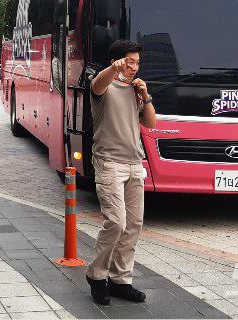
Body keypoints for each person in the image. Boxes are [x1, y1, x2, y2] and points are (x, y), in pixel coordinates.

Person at [86, 40, 156, 305]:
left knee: (133, 226)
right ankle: (96, 275)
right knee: (116, 222)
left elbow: (150, 122)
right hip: (109, 163)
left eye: (137, 63)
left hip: (134, 164)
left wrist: (145, 95)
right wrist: (113, 70)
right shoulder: (102, 84)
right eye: (130, 61)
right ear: (117, 61)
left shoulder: (135, 89)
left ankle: (120, 280)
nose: (134, 67)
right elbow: (98, 85)